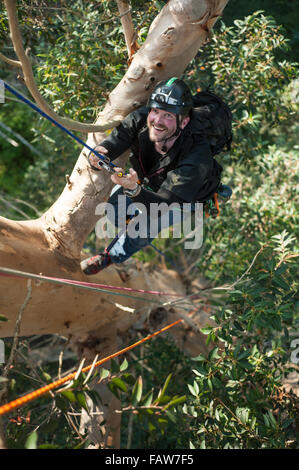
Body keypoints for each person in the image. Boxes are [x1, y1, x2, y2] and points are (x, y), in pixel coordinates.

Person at [81, 77, 223, 275]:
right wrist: (103, 152)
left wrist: (134, 190)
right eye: (155, 111)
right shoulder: (141, 119)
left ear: (184, 121)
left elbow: (164, 205)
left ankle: (111, 257)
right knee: (114, 210)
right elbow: (119, 138)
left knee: (143, 227)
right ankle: (133, 223)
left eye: (168, 116)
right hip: (149, 184)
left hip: (181, 199)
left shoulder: (197, 156)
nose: (157, 121)